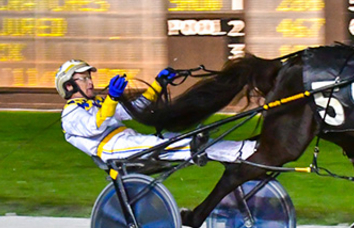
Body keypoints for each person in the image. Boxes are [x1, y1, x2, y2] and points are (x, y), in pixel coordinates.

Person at [55, 59, 256, 164]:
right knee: (173, 144)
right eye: (83, 78)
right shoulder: (70, 115)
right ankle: (241, 152)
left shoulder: (98, 103)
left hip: (128, 141)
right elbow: (94, 127)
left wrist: (159, 84)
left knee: (184, 138)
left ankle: (242, 149)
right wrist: (112, 98)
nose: (90, 82)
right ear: (70, 86)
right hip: (112, 150)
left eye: (89, 77)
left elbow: (135, 109)